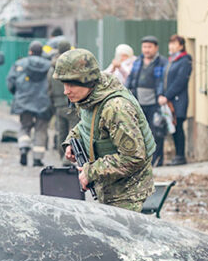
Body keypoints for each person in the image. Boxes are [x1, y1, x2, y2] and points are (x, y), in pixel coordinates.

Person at [56, 48, 155, 212]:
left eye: (71, 84)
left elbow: (133, 157)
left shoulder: (116, 108)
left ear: (87, 80)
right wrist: (72, 141)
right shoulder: (91, 97)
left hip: (128, 194)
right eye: (64, 84)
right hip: (109, 188)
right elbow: (88, 124)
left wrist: (91, 172)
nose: (66, 91)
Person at [7, 41, 52, 166]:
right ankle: (37, 159)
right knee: (40, 130)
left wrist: (17, 94)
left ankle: (23, 147)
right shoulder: (49, 66)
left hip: (24, 101)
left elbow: (11, 82)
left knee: (24, 126)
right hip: (43, 103)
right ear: (41, 52)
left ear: (30, 51)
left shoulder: (19, 64)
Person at [126, 35, 168, 166]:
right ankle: (143, 160)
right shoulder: (138, 61)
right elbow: (130, 79)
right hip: (139, 103)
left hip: (154, 103)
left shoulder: (162, 62)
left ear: (156, 48)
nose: (146, 50)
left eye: (149, 47)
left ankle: (157, 160)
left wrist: (161, 94)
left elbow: (163, 82)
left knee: (157, 132)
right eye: (144, 47)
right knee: (139, 133)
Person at [161, 34, 192, 166]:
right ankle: (177, 155)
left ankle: (180, 156)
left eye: (174, 43)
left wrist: (167, 96)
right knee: (172, 127)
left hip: (178, 100)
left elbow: (180, 81)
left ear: (181, 45)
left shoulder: (185, 60)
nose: (171, 46)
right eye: (170, 43)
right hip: (169, 100)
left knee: (178, 126)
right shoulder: (172, 60)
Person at [47, 39, 77, 161]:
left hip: (58, 105)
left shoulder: (52, 67)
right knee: (75, 132)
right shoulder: (74, 65)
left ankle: (62, 156)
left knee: (61, 132)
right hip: (73, 104)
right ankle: (70, 158)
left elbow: (49, 88)